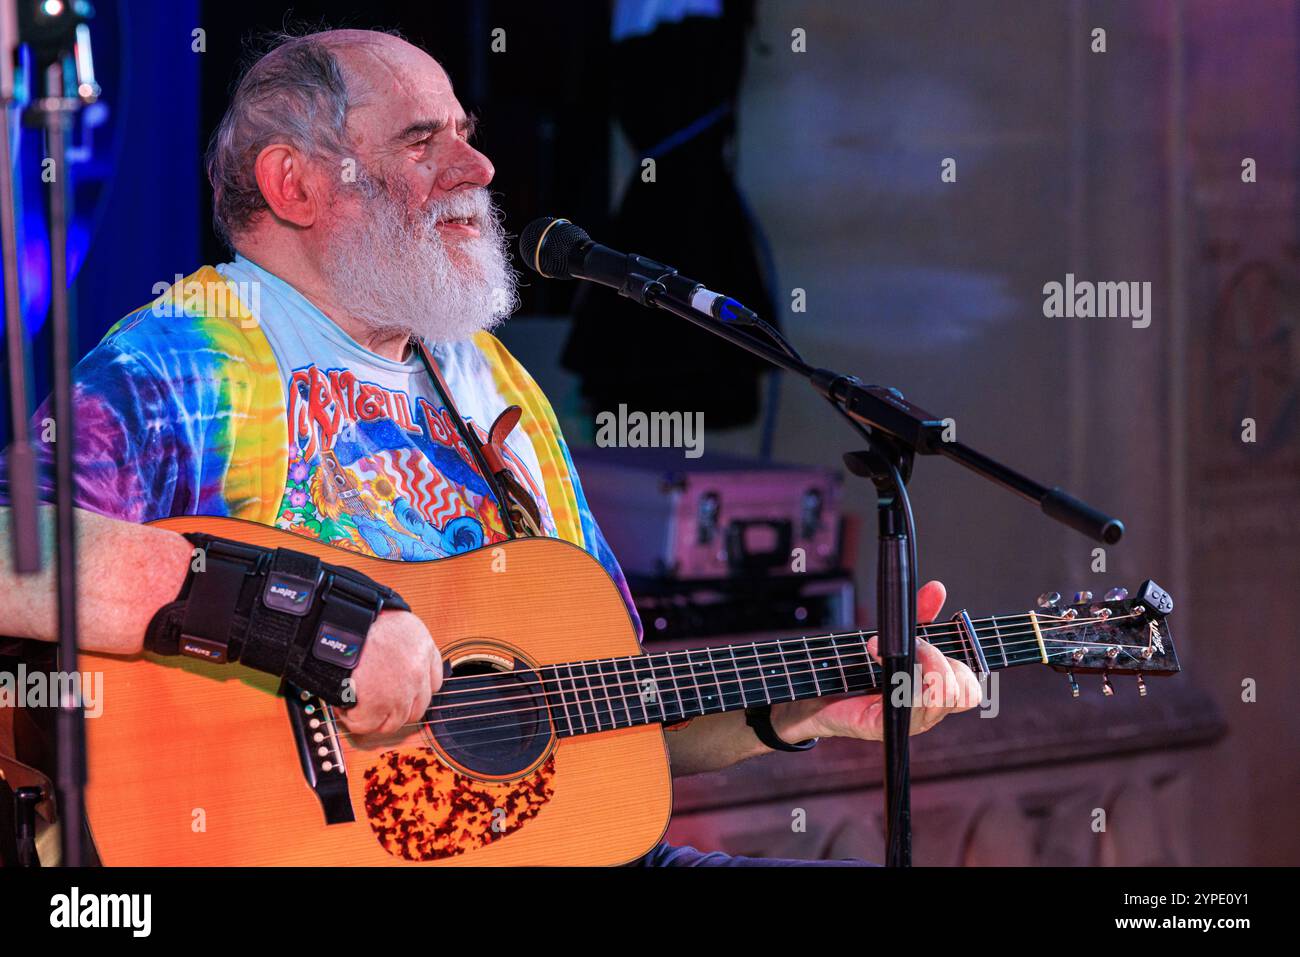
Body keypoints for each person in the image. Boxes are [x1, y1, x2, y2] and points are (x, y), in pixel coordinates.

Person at [0, 28, 981, 866]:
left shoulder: (491, 387)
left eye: (466, 136)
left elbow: (598, 697)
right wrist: (315, 631)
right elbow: (17, 552)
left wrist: (796, 706)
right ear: (293, 182)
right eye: (424, 141)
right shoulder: (184, 361)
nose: (479, 170)